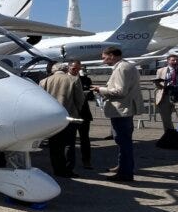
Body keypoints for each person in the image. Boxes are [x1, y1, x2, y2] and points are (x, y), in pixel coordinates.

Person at [92, 46, 142, 182]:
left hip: (121, 110)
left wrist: (101, 89)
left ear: (112, 55)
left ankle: (125, 172)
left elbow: (120, 91)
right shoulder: (128, 66)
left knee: (123, 141)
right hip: (124, 109)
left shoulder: (122, 68)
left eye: (104, 57)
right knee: (123, 141)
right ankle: (122, 167)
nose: (103, 61)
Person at [39, 62, 85, 177]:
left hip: (52, 119)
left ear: (53, 70)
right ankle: (67, 169)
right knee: (69, 144)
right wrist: (77, 110)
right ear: (65, 69)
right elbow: (80, 100)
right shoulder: (73, 80)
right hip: (70, 116)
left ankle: (57, 169)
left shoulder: (44, 81)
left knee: (54, 145)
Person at [67, 60, 94, 169]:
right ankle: (69, 163)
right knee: (70, 140)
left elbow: (91, 96)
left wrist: (85, 94)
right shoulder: (64, 79)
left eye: (79, 69)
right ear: (69, 68)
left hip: (83, 113)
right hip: (70, 113)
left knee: (85, 139)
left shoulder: (85, 79)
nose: (76, 71)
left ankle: (86, 161)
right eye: (74, 68)